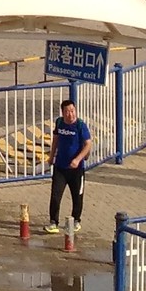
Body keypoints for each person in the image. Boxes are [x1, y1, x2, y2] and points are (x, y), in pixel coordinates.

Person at [46, 98, 91, 234]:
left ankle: (76, 220)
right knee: (55, 195)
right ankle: (53, 222)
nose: (70, 114)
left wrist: (77, 159)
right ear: (63, 112)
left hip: (77, 169)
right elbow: (55, 140)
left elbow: (88, 144)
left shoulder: (80, 126)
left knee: (77, 196)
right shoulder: (59, 123)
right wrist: (51, 156)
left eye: (72, 111)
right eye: (67, 111)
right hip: (60, 167)